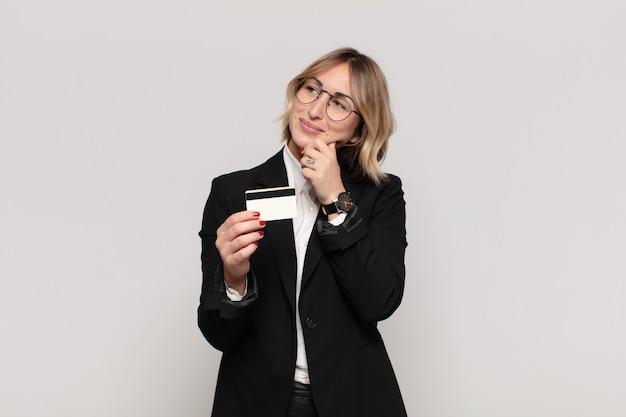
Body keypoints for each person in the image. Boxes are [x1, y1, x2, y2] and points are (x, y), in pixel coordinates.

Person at [198, 47, 407, 417]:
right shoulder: (232, 193)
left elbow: (379, 302)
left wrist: (336, 200)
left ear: (359, 129)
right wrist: (233, 278)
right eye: (311, 89)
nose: (314, 110)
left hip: (353, 398)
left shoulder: (381, 195)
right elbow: (219, 335)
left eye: (339, 103)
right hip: (256, 401)